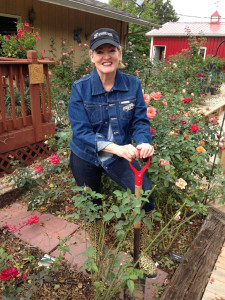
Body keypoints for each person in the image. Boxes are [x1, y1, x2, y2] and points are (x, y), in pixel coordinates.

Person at [68, 28, 157, 277]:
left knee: (145, 198)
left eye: (111, 50)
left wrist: (142, 142)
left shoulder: (132, 84)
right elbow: (81, 131)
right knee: (91, 206)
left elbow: (140, 121)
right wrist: (115, 147)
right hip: (86, 155)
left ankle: (140, 251)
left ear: (119, 53)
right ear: (91, 56)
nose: (106, 56)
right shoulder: (80, 88)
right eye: (100, 51)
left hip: (120, 155)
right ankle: (96, 252)